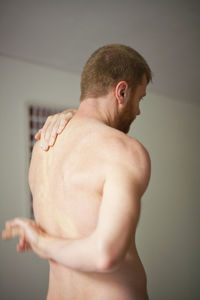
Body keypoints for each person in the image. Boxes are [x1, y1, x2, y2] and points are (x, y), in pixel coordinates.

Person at [2, 44, 152, 300]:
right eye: (140, 98)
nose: (138, 110)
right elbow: (105, 255)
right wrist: (38, 241)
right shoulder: (124, 150)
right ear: (122, 91)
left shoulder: (41, 149)